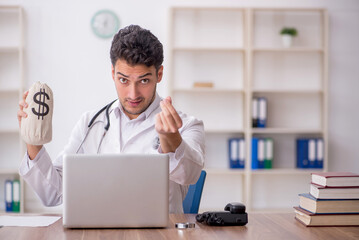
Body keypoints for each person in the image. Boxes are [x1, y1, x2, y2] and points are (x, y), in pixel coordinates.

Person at [17, 25, 205, 213]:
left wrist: (171, 139)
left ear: (159, 74)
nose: (133, 93)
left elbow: (190, 174)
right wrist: (32, 140)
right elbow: (53, 194)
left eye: (144, 81)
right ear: (113, 74)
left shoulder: (186, 125)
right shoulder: (90, 123)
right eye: (124, 80)